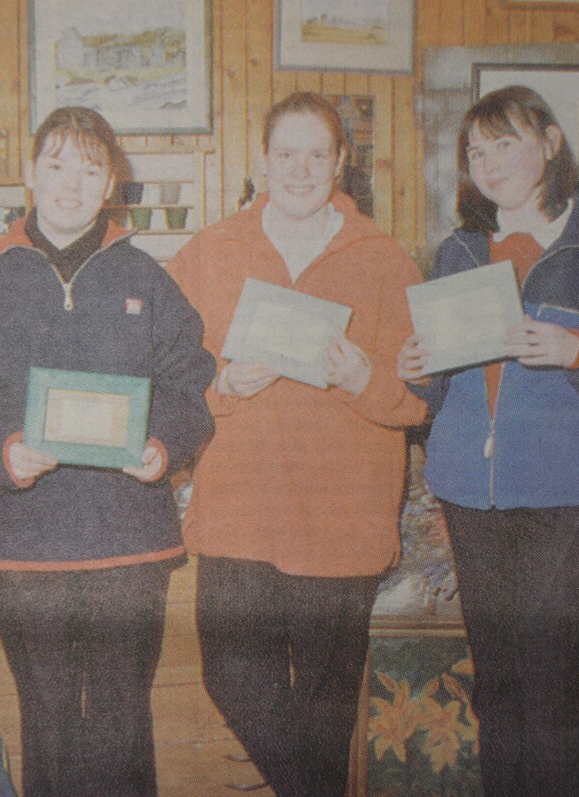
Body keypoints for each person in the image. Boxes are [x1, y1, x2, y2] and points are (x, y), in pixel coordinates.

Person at [398, 85, 579, 797]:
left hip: (569, 496)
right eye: (475, 150)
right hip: (471, 493)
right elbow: (440, 395)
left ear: (552, 143)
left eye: (506, 143)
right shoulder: (458, 250)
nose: (488, 162)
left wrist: (578, 349)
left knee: (549, 693)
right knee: (495, 688)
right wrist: (417, 368)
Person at [0, 106, 214, 797]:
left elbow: (191, 384)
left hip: (131, 542)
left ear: (111, 181)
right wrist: (1, 449)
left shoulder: (146, 277)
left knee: (123, 718)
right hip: (24, 545)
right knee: (50, 720)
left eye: (90, 168)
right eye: (56, 165)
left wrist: (162, 444)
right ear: (30, 174)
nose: (71, 183)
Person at [167, 91, 426, 797]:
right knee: (231, 673)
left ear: (342, 162)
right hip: (239, 511)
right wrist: (220, 382)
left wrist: (366, 375)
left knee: (325, 701)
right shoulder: (210, 250)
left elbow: (421, 397)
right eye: (287, 153)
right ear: (262, 160)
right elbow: (165, 373)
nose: (302, 169)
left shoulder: (386, 260)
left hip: (340, 521)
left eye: (318, 153)